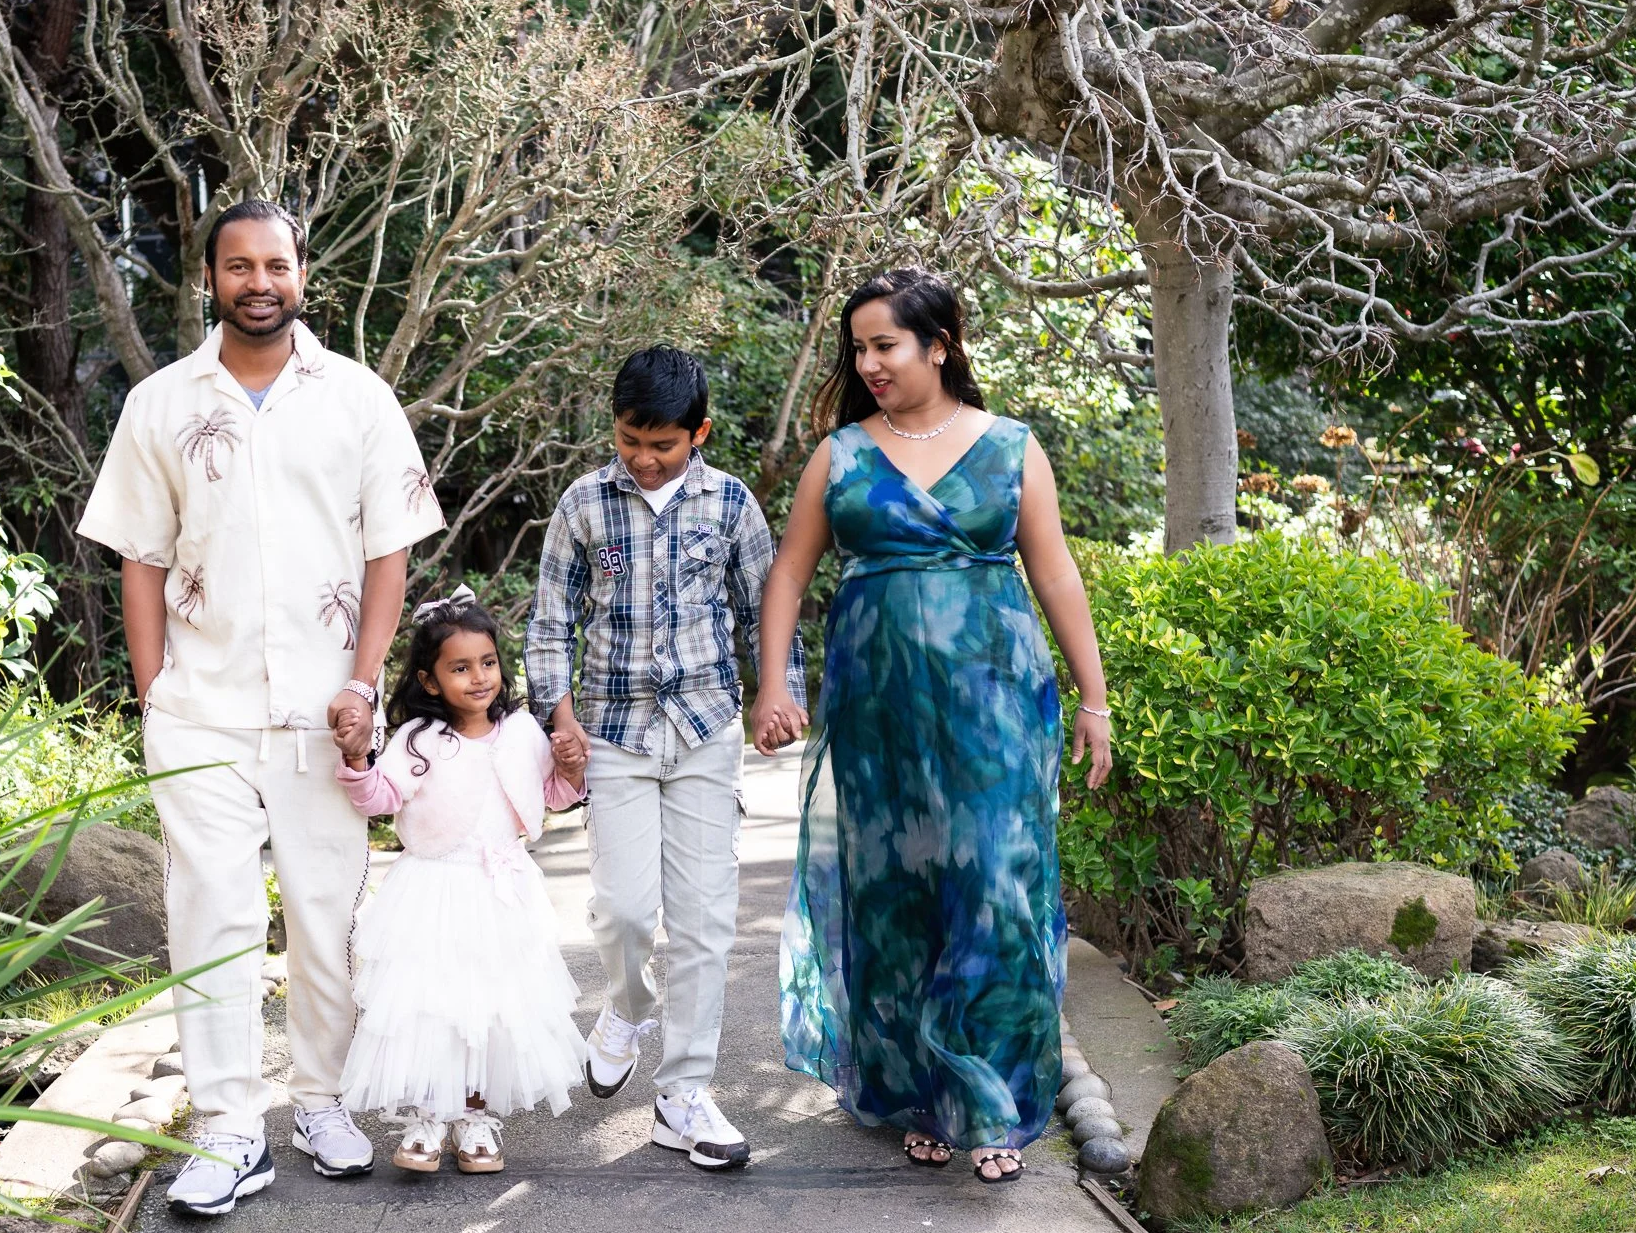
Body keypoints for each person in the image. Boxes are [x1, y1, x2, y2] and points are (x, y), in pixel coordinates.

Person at [77, 198, 445, 1218]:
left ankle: (322, 1100)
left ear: (301, 272)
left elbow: (389, 551)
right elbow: (139, 560)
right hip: (202, 710)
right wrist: (155, 694)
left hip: (327, 715)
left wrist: (364, 683)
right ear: (210, 279)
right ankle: (229, 1127)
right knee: (213, 921)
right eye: (236, 265)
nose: (257, 281)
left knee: (328, 921)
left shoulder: (359, 399)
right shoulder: (159, 402)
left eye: (273, 262)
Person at [749, 268, 1114, 1184]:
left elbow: (1057, 573)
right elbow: (788, 574)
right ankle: (921, 1092)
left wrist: (1094, 698)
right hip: (877, 712)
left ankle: (986, 1097)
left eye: (886, 345)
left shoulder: (1011, 448)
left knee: (996, 884)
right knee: (896, 897)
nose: (868, 363)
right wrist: (773, 684)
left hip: (994, 705)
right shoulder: (839, 455)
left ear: (939, 345)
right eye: (859, 347)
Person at [526, 346, 803, 1169]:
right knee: (621, 910)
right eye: (628, 440)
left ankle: (683, 1093)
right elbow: (549, 624)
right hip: (613, 733)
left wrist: (776, 693)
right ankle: (624, 1004)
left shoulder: (730, 505)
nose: (643, 459)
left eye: (663, 446)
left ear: (699, 433)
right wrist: (559, 719)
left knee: (705, 922)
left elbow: (766, 608)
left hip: (706, 730)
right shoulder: (583, 504)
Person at [331, 589, 590, 1174]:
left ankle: (474, 1115)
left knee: (489, 1007)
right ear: (429, 680)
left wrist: (572, 768)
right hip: (433, 890)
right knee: (432, 1006)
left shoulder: (523, 730)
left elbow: (547, 795)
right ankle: (427, 1113)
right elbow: (381, 798)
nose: (479, 678)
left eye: (488, 663)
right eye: (460, 668)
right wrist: (356, 761)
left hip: (502, 891)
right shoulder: (418, 740)